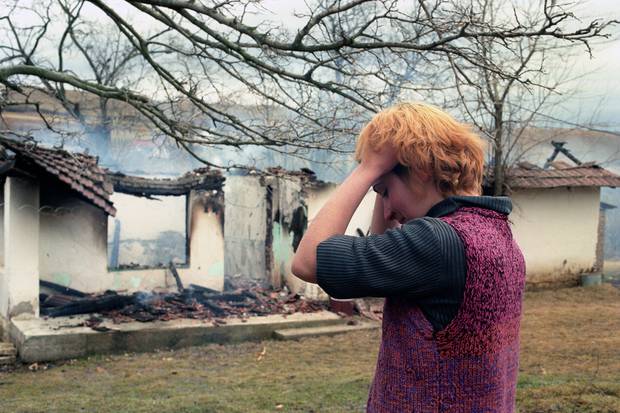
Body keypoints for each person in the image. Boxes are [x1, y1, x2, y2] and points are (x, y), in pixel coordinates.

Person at [291, 102, 526, 412]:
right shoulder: (495, 234)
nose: (386, 210)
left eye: (385, 191)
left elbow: (307, 261)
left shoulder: (435, 242)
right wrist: (383, 182)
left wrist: (368, 169)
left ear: (421, 170)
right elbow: (376, 262)